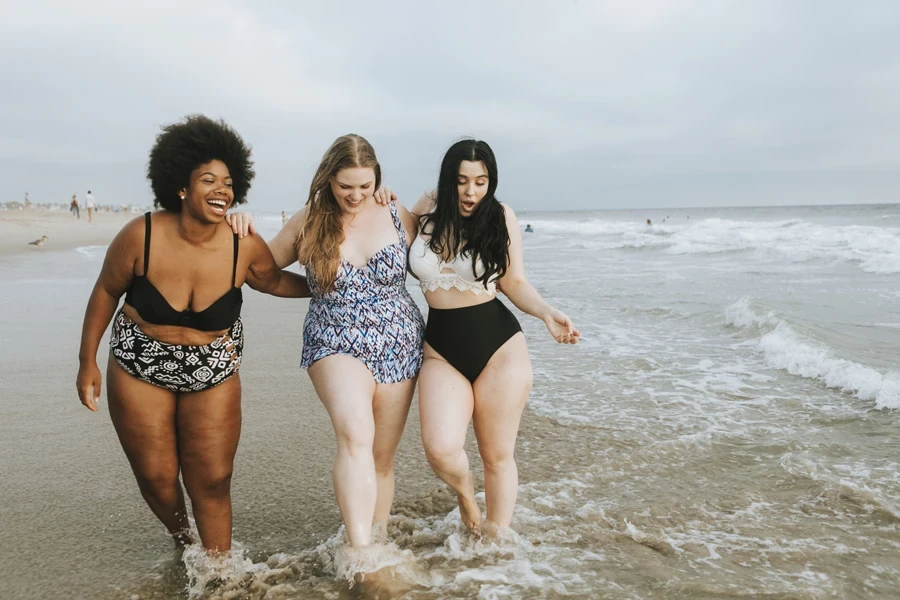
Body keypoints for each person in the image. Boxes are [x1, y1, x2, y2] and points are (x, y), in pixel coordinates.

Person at [75, 115, 310, 555]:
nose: (222, 189)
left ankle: (218, 570)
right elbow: (106, 291)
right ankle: (186, 542)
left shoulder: (244, 246)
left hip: (213, 368)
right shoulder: (140, 235)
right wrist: (87, 360)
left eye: (228, 182)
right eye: (208, 180)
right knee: (157, 477)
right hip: (138, 364)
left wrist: (328, 285)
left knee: (213, 478)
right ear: (181, 187)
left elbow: (275, 281)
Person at [240, 134, 425, 550]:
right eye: (346, 186)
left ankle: (374, 542)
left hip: (400, 341)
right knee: (356, 434)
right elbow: (260, 273)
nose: (356, 195)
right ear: (328, 179)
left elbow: (436, 260)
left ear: (377, 178)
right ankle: (359, 556)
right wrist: (242, 229)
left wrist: (431, 198)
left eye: (364, 184)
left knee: (379, 459)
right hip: (333, 339)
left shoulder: (395, 210)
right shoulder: (308, 219)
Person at [406, 139, 578, 535]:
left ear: (491, 181)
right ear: (449, 179)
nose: (471, 192)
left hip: (499, 348)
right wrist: (381, 193)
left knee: (497, 455)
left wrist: (547, 313)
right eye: (463, 181)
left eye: (481, 182)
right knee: (440, 448)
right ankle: (467, 498)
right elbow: (381, 222)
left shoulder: (501, 216)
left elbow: (514, 281)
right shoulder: (427, 208)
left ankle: (496, 541)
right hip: (441, 351)